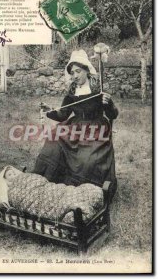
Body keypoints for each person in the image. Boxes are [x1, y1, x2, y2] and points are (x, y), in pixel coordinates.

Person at [33, 50, 118, 199]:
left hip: (96, 129)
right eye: (72, 73)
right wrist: (49, 111)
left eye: (78, 71)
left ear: (86, 70)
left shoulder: (99, 90)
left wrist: (109, 104)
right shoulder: (72, 92)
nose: (75, 76)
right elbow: (63, 115)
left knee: (86, 159)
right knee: (53, 140)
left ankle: (88, 191)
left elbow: (113, 115)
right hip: (76, 127)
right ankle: (45, 180)